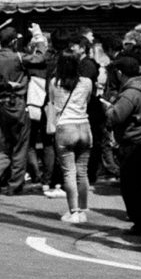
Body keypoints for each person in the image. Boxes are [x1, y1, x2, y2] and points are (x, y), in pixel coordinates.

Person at [105, 54, 141, 235]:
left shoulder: (129, 93)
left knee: (132, 186)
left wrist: (108, 108)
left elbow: (116, 116)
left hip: (133, 145)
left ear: (120, 73)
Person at [47, 50, 93, 225]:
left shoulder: (54, 83)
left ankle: (73, 211)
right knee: (83, 172)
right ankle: (83, 210)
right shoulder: (87, 82)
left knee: (69, 172)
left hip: (65, 128)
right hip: (84, 127)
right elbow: (87, 101)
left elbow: (52, 102)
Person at [0, 26, 30, 195]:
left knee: (4, 143)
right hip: (17, 103)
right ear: (13, 42)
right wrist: (39, 40)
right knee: (20, 145)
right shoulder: (18, 58)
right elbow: (40, 58)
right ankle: (15, 184)